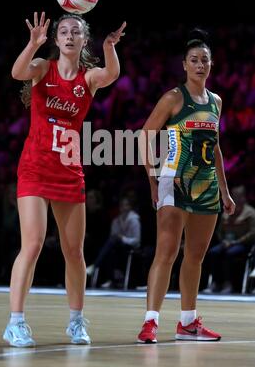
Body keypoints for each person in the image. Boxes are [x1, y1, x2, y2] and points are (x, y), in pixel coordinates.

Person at [3, 11, 126, 347]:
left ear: (84, 40)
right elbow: (17, 73)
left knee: (74, 251)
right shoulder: (43, 67)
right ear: (56, 40)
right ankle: (15, 322)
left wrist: (110, 46)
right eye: (64, 32)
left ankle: (75, 322)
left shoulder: (88, 78)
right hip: (34, 168)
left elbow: (112, 73)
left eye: (76, 32)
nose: (70, 36)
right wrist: (32, 45)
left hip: (69, 171)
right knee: (32, 245)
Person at [137, 28, 236, 344]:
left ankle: (188, 323)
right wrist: (153, 179)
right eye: (194, 60)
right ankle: (151, 322)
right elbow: (144, 135)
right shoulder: (173, 98)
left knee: (195, 256)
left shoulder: (216, 101)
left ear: (211, 64)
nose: (199, 65)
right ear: (184, 65)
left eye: (204, 60)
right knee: (165, 252)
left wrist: (225, 190)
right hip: (173, 180)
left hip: (206, 185)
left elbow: (216, 148)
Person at [205, 185, 255, 293]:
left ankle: (229, 284)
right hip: (226, 243)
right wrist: (224, 241)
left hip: (243, 244)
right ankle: (215, 283)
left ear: (244, 197)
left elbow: (252, 233)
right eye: (234, 196)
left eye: (239, 196)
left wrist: (236, 242)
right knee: (213, 253)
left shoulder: (250, 213)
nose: (236, 198)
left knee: (230, 254)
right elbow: (219, 230)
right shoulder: (227, 211)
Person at [86, 196, 141, 287]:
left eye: (126, 205)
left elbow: (136, 240)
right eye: (122, 205)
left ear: (130, 207)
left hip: (131, 247)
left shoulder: (134, 220)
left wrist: (122, 238)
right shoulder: (116, 221)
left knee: (112, 243)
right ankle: (113, 279)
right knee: (110, 251)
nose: (123, 208)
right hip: (117, 247)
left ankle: (95, 266)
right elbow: (112, 237)